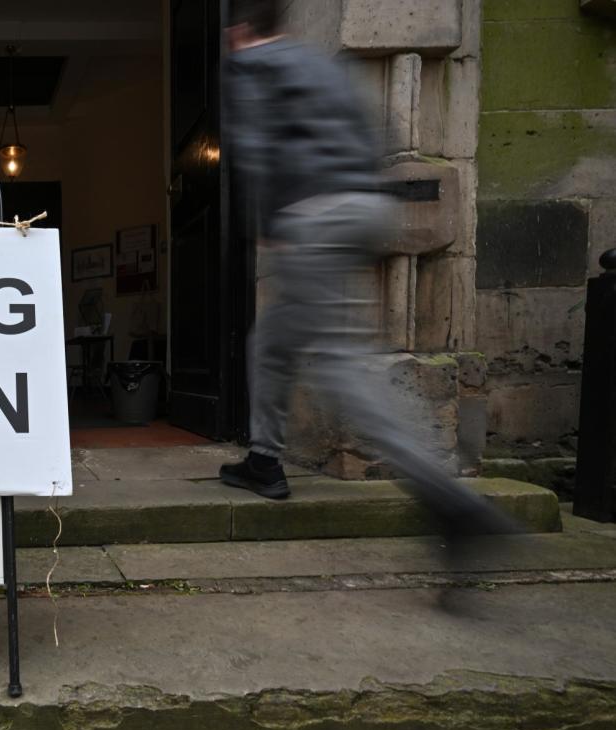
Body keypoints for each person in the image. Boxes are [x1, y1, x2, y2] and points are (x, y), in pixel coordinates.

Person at [217, 0, 520, 542]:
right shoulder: (320, 64)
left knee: (341, 364)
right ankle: (264, 459)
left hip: (313, 213)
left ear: (240, 31)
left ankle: (450, 502)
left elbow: (256, 147)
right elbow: (370, 133)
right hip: (361, 206)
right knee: (272, 342)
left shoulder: (251, 65)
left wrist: (271, 222)